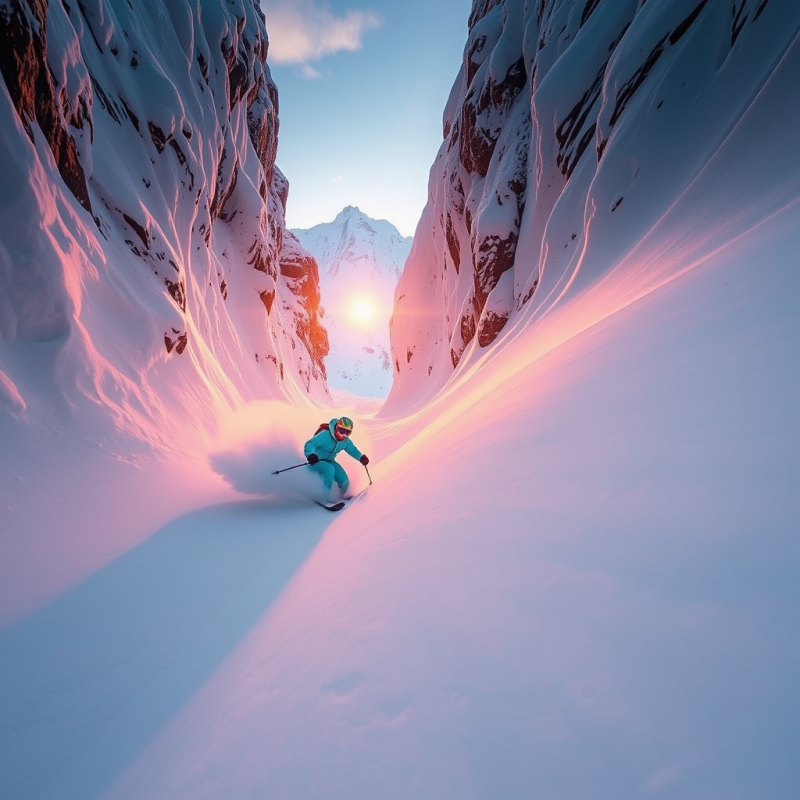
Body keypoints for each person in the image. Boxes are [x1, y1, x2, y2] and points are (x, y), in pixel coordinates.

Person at [304, 416, 369, 501]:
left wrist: (361, 457)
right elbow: (310, 444)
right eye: (342, 431)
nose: (343, 435)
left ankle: (343, 495)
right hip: (316, 461)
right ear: (337, 428)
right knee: (329, 469)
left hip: (330, 461)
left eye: (347, 432)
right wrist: (310, 454)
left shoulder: (345, 441)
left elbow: (353, 450)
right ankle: (322, 497)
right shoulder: (325, 435)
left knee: (344, 479)